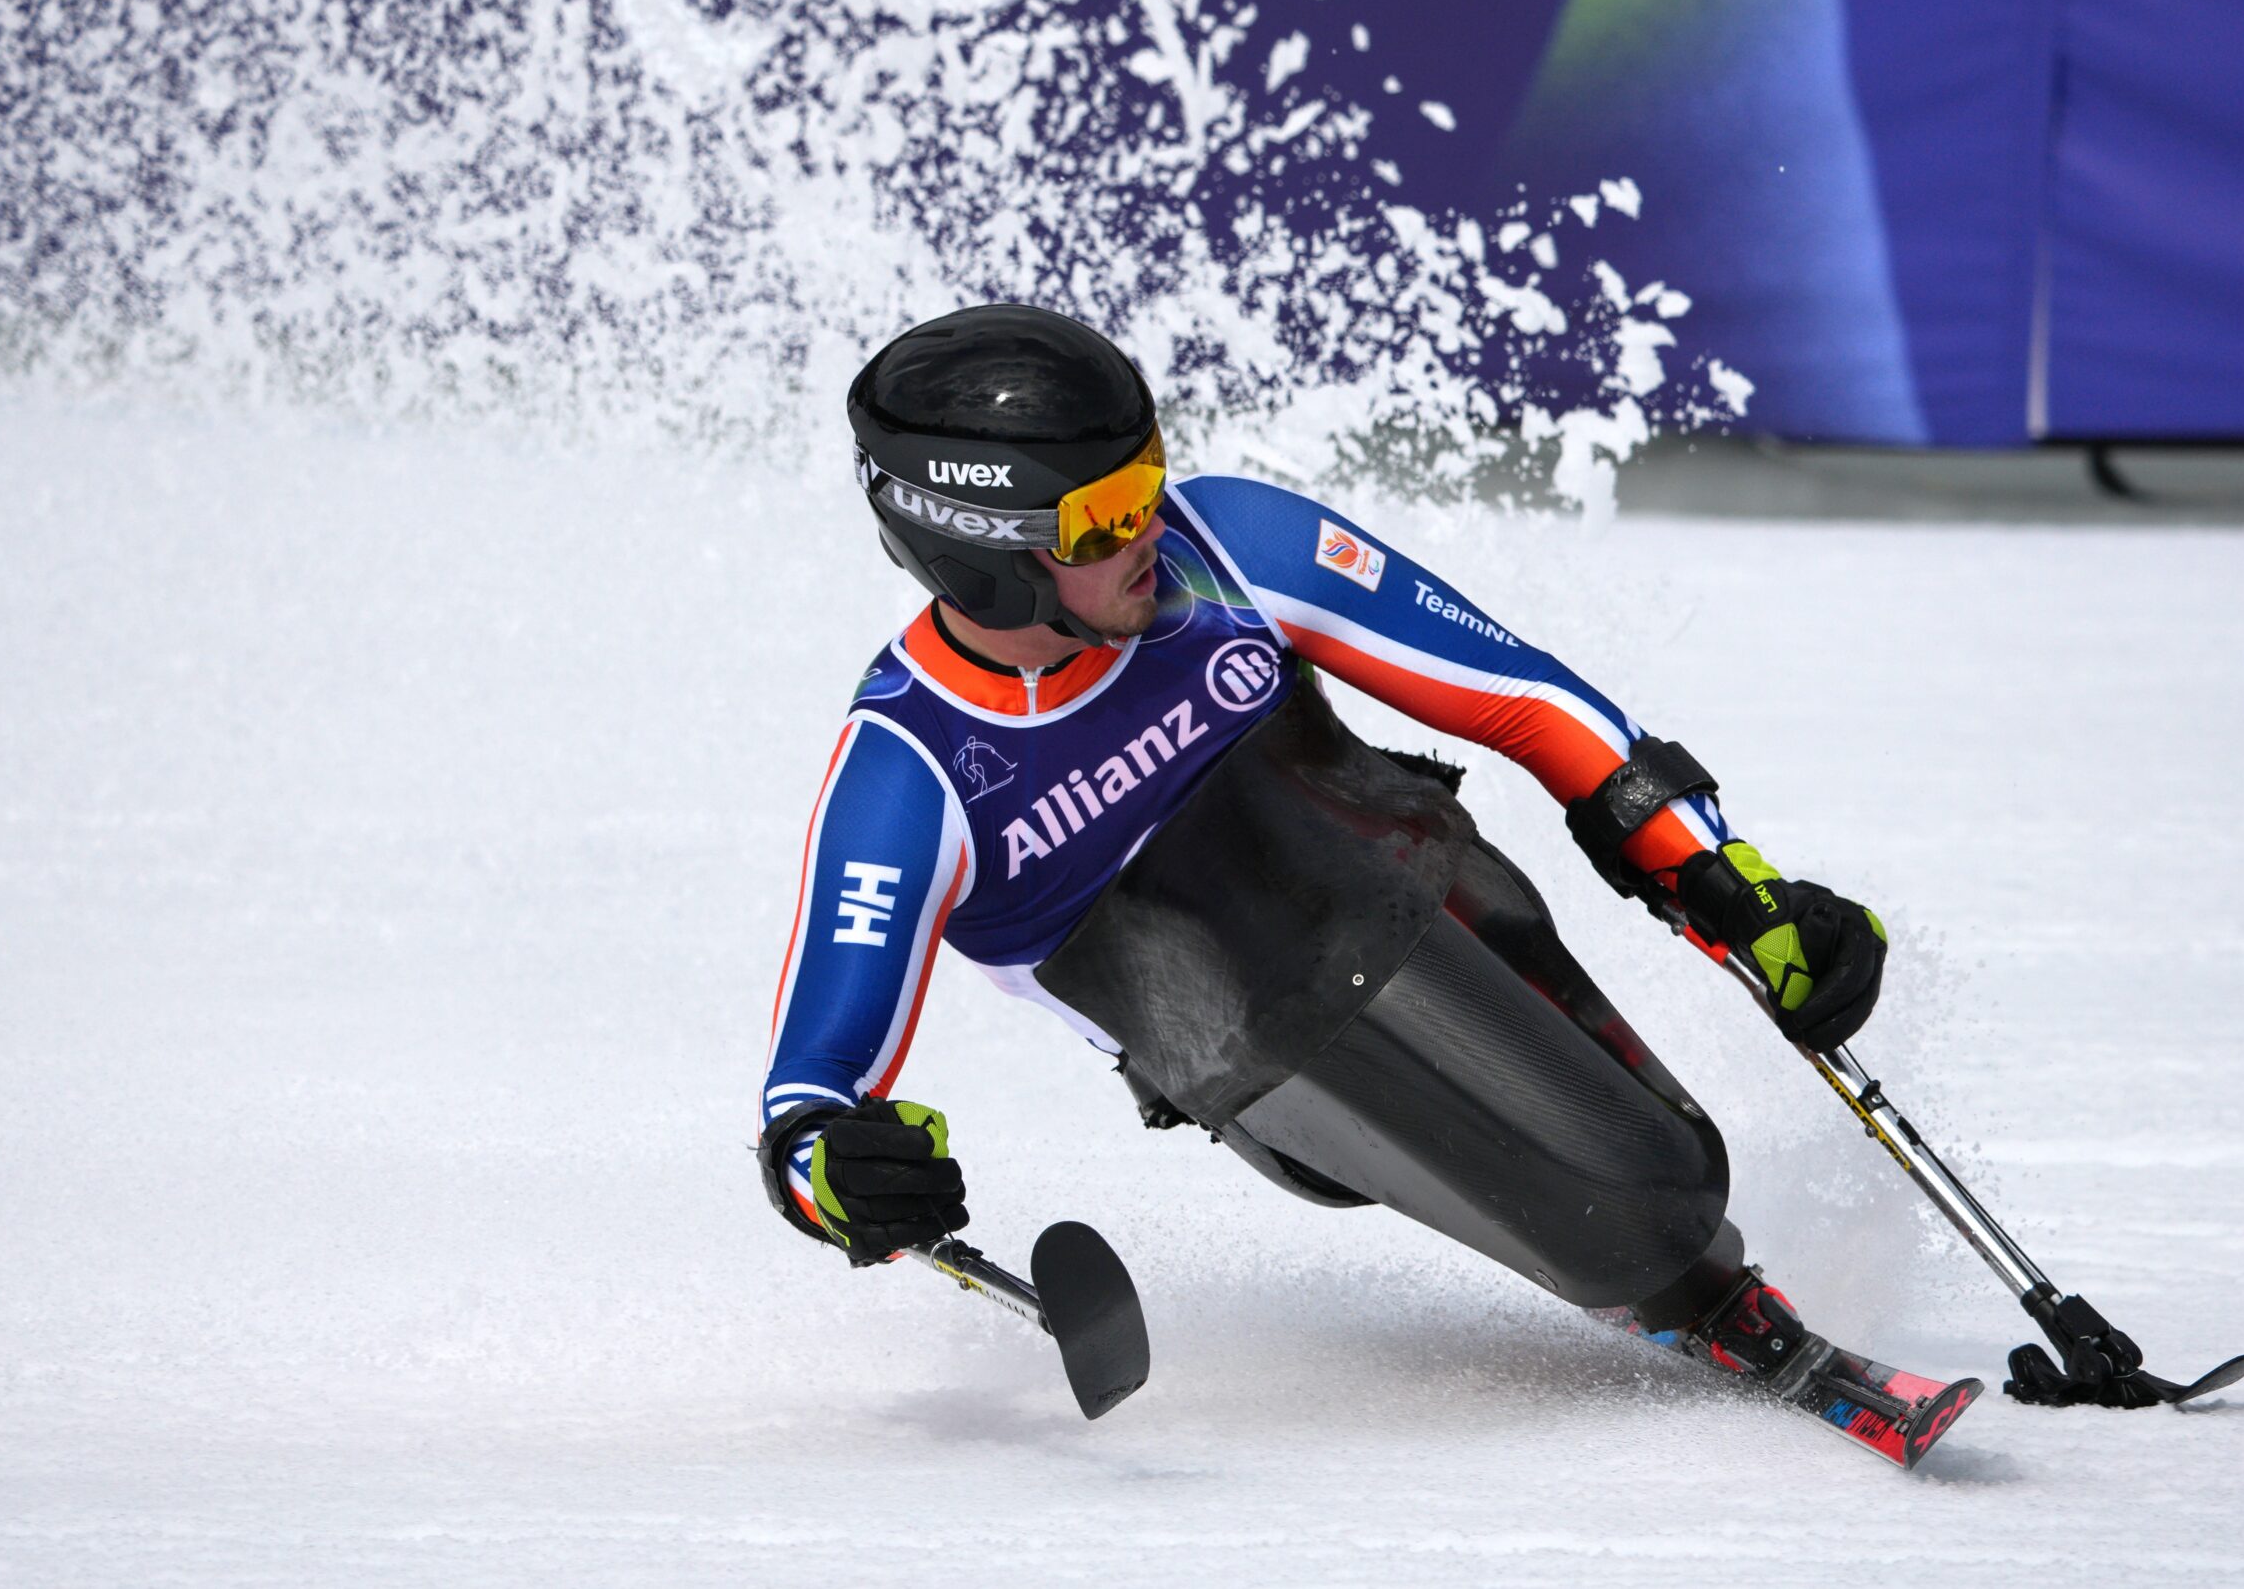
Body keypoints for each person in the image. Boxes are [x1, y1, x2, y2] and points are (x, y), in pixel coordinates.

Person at [759, 303, 1916, 1440]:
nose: (1147, 526)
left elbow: (1527, 699)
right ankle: (1668, 1269)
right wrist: (840, 1175)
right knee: (1637, 1203)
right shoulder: (908, 777)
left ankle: (1674, 1256)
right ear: (982, 554)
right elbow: (809, 1090)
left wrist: (1724, 885)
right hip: (1268, 1055)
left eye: (1146, 479)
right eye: (1101, 517)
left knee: (1667, 1159)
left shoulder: (1229, 550)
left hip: (1433, 895)